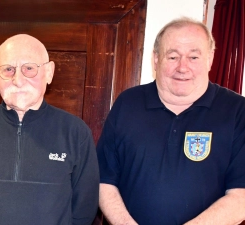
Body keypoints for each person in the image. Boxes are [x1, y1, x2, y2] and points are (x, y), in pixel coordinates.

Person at [97, 17, 245, 225]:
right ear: (156, 59)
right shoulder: (127, 103)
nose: (182, 67)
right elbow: (103, 180)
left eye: (193, 57)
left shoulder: (238, 111)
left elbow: (241, 196)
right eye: (173, 57)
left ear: (210, 59)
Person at [0, 34, 99, 225]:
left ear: (49, 72)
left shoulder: (76, 133)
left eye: (29, 68)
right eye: (8, 69)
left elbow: (84, 211)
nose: (18, 80)